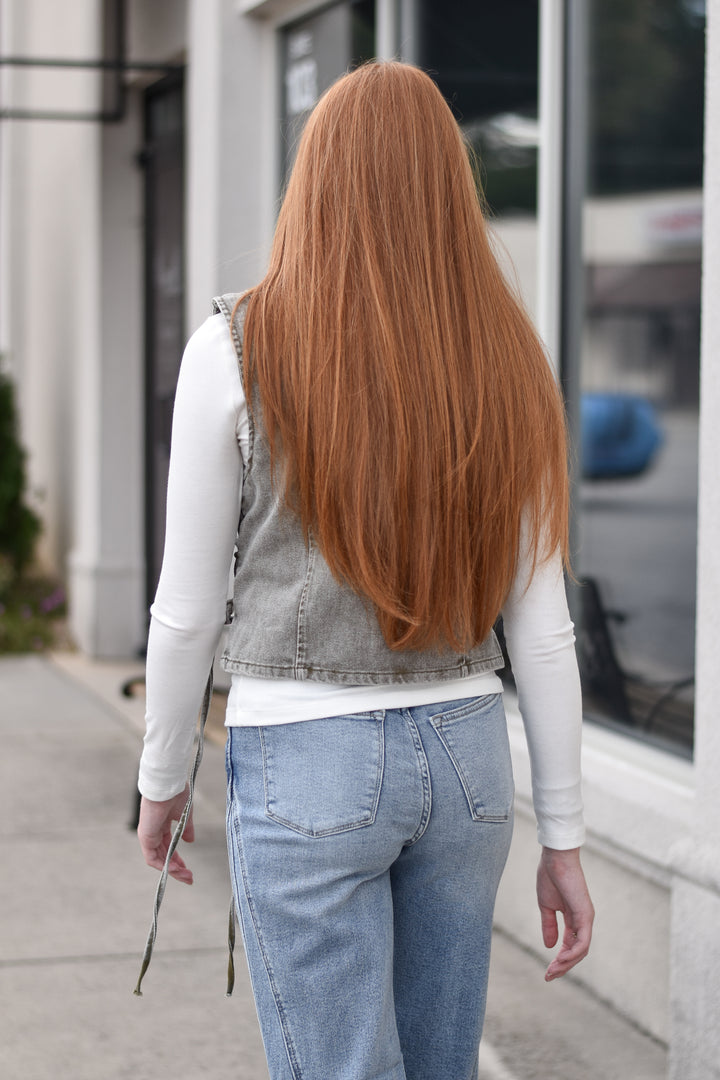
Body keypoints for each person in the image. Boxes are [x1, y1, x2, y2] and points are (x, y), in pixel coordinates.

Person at [137, 61, 594, 1080]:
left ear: (317, 181)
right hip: (471, 756)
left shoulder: (235, 349)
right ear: (450, 185)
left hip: (306, 758)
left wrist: (161, 779)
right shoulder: (510, 358)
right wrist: (565, 836)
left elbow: (185, 608)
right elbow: (543, 627)